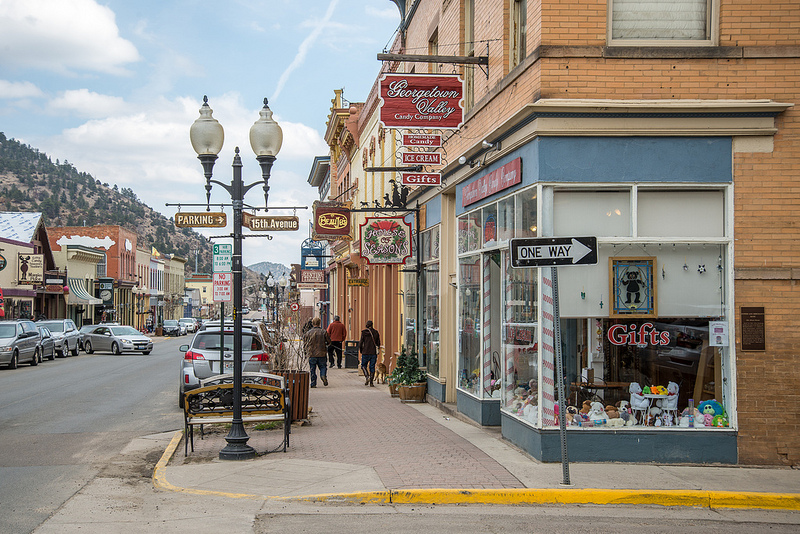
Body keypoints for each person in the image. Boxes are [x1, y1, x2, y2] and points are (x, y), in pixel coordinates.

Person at [303, 317, 330, 388]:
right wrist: (326, 345)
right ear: (319, 323)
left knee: (312, 369)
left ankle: (313, 383)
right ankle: (323, 375)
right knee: (323, 366)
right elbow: (329, 342)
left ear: (312, 323)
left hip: (312, 354)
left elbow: (305, 344)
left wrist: (305, 353)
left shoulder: (308, 333)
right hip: (322, 353)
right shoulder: (323, 332)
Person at [358, 320, 381, 387]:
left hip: (365, 352)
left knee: (363, 365)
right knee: (372, 366)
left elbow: (361, 343)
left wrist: (361, 350)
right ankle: (371, 382)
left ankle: (367, 376)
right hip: (373, 352)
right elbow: (378, 343)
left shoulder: (364, 333)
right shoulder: (376, 333)